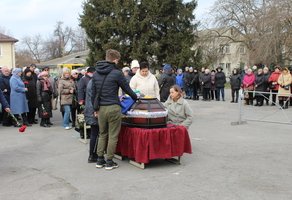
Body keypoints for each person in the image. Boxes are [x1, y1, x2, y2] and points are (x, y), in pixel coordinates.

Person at [91, 49, 137, 170]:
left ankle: (100, 160)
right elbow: (126, 89)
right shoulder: (117, 73)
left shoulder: (96, 73)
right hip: (113, 107)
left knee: (102, 134)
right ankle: (110, 161)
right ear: (115, 59)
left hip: (101, 108)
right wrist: (136, 97)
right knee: (113, 135)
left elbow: (93, 94)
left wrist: (95, 109)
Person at [84, 80, 99, 163]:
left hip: (90, 110)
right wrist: (95, 110)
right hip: (94, 111)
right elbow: (94, 98)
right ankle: (93, 155)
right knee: (96, 134)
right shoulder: (95, 82)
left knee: (94, 134)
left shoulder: (91, 81)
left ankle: (92, 155)